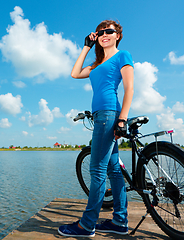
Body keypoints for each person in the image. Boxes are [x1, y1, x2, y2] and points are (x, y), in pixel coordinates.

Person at [58, 20, 134, 237]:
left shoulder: (122, 55)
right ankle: (120, 222)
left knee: (97, 171)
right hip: (102, 116)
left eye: (109, 31)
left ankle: (87, 224)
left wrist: (122, 119)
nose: (104, 35)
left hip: (110, 114)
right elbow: (74, 73)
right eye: (100, 33)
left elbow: (129, 88)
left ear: (117, 35)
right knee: (113, 171)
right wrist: (86, 46)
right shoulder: (97, 64)